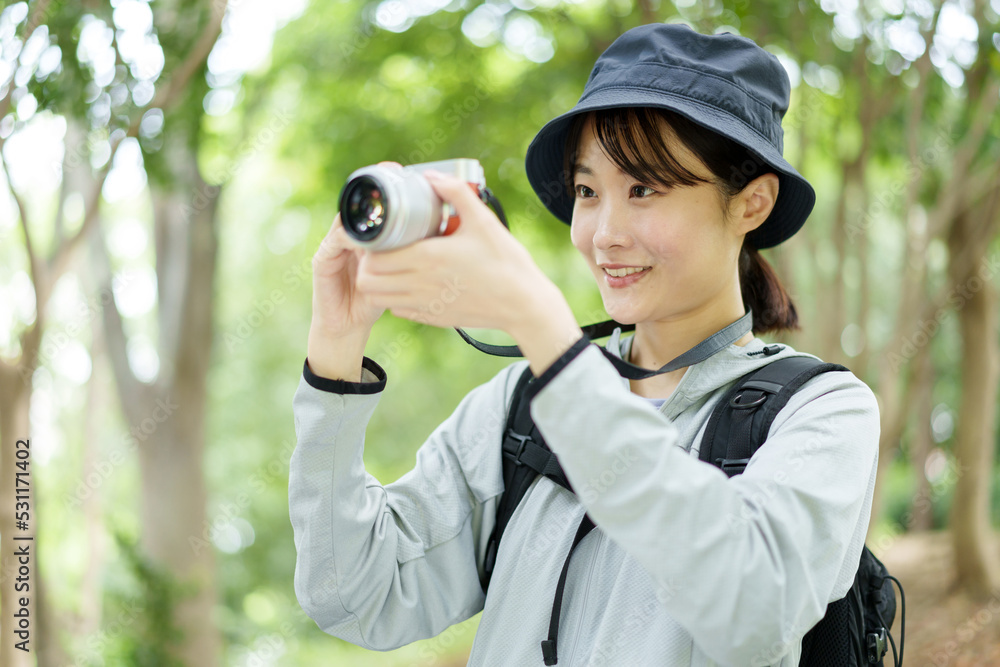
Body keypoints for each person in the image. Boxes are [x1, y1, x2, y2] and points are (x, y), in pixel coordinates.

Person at [289, 22, 879, 666]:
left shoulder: (821, 411)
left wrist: (539, 323)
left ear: (752, 204)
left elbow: (752, 609)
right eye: (587, 191)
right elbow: (351, 596)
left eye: (644, 189)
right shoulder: (519, 406)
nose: (604, 233)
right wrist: (335, 359)